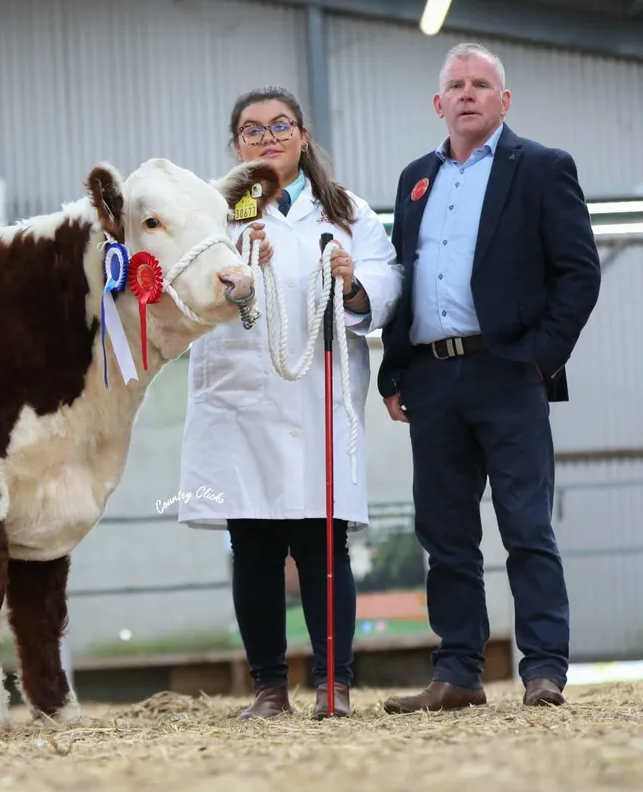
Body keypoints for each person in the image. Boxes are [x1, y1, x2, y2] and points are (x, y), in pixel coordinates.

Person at [376, 43, 601, 713]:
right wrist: (395, 369)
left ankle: (543, 669)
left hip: (509, 374)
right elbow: (404, 276)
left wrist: (539, 358)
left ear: (504, 101)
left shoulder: (541, 168)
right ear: (439, 103)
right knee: (443, 533)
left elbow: (578, 272)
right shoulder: (416, 178)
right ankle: (458, 671)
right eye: (457, 84)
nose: (468, 93)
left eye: (482, 84)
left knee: (526, 524)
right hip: (432, 378)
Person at [177, 86, 404, 719]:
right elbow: (186, 291)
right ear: (236, 145)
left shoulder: (346, 209)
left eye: (281, 126)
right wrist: (236, 286)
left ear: (303, 135)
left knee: (322, 543)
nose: (269, 137)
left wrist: (352, 281)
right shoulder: (217, 213)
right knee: (252, 544)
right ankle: (270, 689)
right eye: (253, 130)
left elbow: (388, 279)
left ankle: (334, 684)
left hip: (317, 399)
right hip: (243, 402)